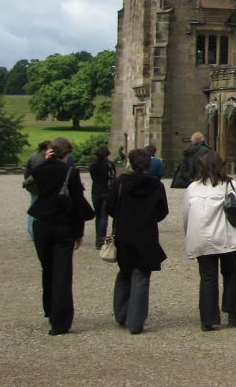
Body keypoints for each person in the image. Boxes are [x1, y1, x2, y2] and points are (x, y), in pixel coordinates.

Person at [27, 137, 95, 335]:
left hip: (42, 224)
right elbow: (77, 203)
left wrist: (47, 161)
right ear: (67, 153)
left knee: (47, 269)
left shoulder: (40, 170)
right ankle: (60, 321)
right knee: (62, 273)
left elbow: (32, 179)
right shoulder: (70, 172)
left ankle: (49, 309)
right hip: (63, 226)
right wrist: (79, 233)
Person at [182, 152, 236, 331]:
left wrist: (188, 234)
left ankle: (208, 318)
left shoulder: (193, 188)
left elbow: (186, 215)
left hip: (202, 237)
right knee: (230, 272)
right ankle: (232, 312)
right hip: (226, 235)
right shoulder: (230, 185)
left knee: (207, 277)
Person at [107, 148, 168, 334]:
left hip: (124, 232)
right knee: (141, 276)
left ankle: (122, 314)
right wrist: (148, 218)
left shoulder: (120, 182)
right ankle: (136, 322)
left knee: (124, 272)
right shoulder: (156, 185)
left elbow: (110, 207)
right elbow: (162, 211)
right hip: (146, 233)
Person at [88, 146, 116, 249]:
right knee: (104, 217)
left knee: (98, 216)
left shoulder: (93, 165)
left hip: (96, 191)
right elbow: (113, 177)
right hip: (107, 191)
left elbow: (93, 177)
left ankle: (98, 239)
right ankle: (101, 240)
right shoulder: (109, 164)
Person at [24, 140, 51, 238]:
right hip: (39, 187)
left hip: (32, 186)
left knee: (33, 206)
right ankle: (33, 231)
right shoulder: (43, 158)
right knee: (37, 208)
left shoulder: (33, 155)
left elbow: (27, 172)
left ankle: (32, 230)